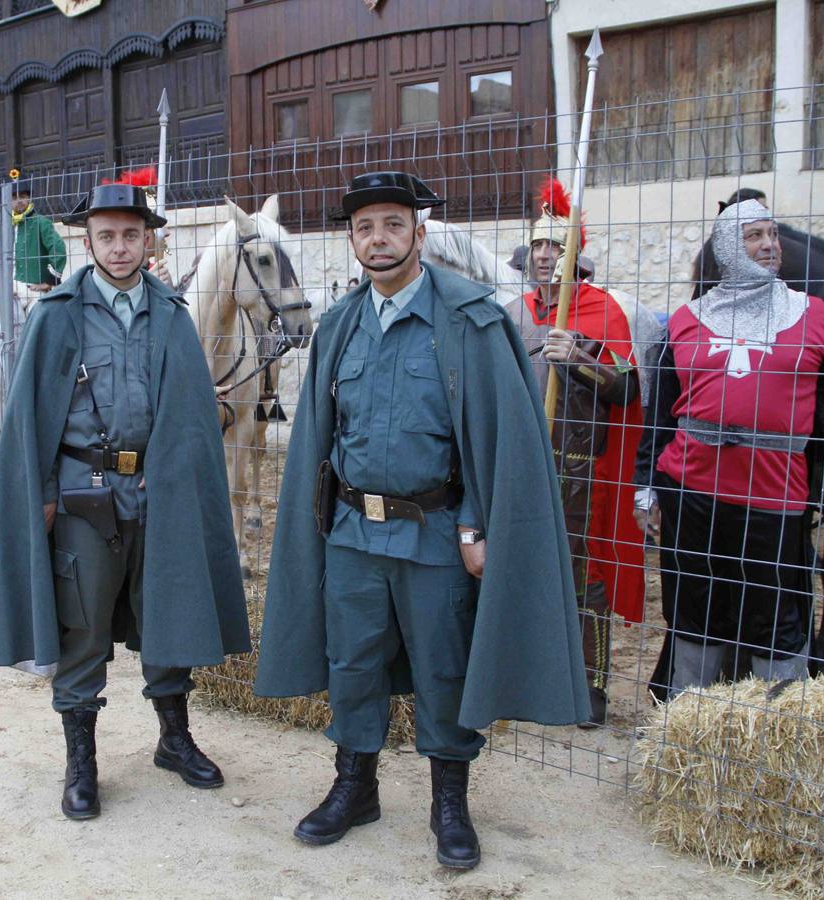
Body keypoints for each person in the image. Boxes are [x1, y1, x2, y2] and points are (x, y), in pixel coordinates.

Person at [254, 172, 589, 871]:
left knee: (442, 664)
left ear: (419, 234)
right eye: (365, 227)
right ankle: (355, 785)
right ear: (352, 240)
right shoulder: (341, 324)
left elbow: (498, 440)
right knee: (352, 662)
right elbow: (322, 434)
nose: (379, 239)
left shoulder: (469, 319)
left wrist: (476, 524)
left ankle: (449, 802)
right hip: (351, 532)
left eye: (393, 225)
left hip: (438, 534)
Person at [0, 180, 250, 821]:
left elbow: (188, 413)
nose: (120, 247)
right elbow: (29, 419)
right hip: (82, 498)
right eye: (107, 236)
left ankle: (174, 739)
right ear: (88, 240)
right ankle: (82, 763)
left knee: (169, 612)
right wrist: (43, 496)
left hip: (161, 496)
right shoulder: (56, 315)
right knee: (83, 625)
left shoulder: (172, 314)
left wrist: (176, 474)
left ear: (148, 238)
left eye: (132, 235)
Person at [635, 199, 824, 696]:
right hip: (691, 489)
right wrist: (646, 485)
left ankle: (778, 729)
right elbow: (660, 416)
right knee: (694, 603)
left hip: (774, 493)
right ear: (728, 246)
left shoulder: (816, 319)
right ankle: (689, 719)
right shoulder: (683, 323)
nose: (769, 245)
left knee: (775, 607)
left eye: (772, 234)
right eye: (754, 236)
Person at [502, 178, 645, 729]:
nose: (544, 255)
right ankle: (523, 676)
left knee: (583, 577)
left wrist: (580, 359)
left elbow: (629, 388)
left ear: (574, 254)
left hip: (580, 468)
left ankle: (588, 689)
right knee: (522, 569)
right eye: (537, 245)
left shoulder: (601, 309)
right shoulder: (513, 312)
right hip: (522, 462)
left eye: (555, 246)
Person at [7, 176, 68, 309]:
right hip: (9, 290)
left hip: (34, 291)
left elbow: (58, 249)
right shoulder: (6, 227)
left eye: (22, 196)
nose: (19, 201)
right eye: (14, 197)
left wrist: (49, 281)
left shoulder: (41, 222)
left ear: (29, 198)